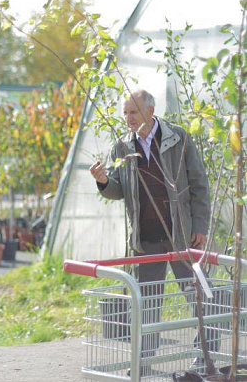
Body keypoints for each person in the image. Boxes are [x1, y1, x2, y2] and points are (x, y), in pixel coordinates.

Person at [89, 89, 212, 375]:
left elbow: (199, 184)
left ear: (150, 110)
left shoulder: (177, 137)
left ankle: (205, 355)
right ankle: (142, 362)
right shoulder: (121, 146)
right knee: (146, 302)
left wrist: (201, 226)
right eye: (125, 113)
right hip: (145, 240)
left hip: (182, 235)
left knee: (197, 297)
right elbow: (118, 190)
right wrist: (105, 180)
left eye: (133, 112)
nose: (128, 118)